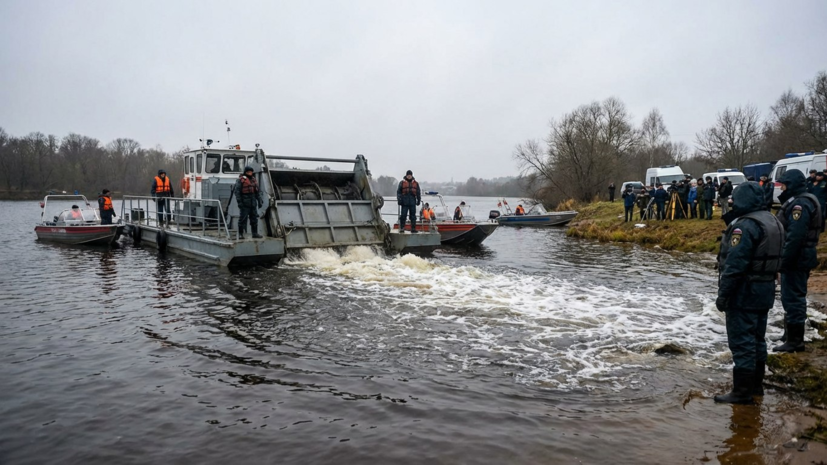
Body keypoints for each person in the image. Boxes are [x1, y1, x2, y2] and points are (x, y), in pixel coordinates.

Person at [714, 182, 784, 404]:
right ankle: (756, 386)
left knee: (742, 341)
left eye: (735, 198)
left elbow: (735, 265)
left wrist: (723, 295)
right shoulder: (773, 220)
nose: (733, 202)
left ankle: (742, 392)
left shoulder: (744, 226)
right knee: (757, 339)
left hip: (744, 292)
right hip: (765, 290)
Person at [773, 169, 822, 353]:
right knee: (788, 296)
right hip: (800, 256)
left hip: (797, 257)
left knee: (793, 297)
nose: (781, 189)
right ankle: (789, 335)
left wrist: (783, 261)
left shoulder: (800, 204)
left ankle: (795, 341)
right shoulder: (803, 200)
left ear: (792, 185)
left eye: (784, 185)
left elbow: (796, 236)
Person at [234, 166, 263, 239]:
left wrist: (259, 200)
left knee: (254, 219)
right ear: (246, 172)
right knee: (242, 219)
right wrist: (239, 203)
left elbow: (257, 191)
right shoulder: (241, 180)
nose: (250, 173)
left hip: (253, 203)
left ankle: (255, 233)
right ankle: (240, 234)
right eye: (249, 172)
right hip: (245, 203)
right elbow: (237, 192)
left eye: (251, 171)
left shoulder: (253, 180)